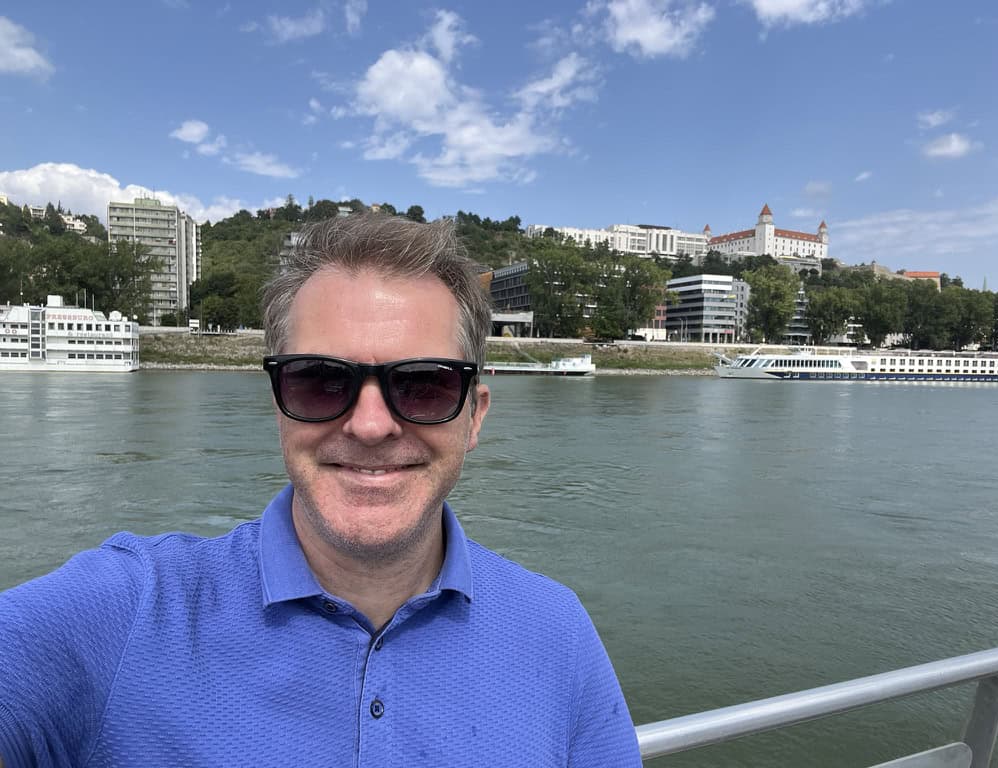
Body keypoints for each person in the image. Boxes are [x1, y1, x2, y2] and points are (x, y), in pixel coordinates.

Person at [0, 214, 642, 767]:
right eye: (319, 381)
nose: (369, 425)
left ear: (473, 416)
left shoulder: (559, 635)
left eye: (424, 386)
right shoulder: (125, 612)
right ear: (279, 406)